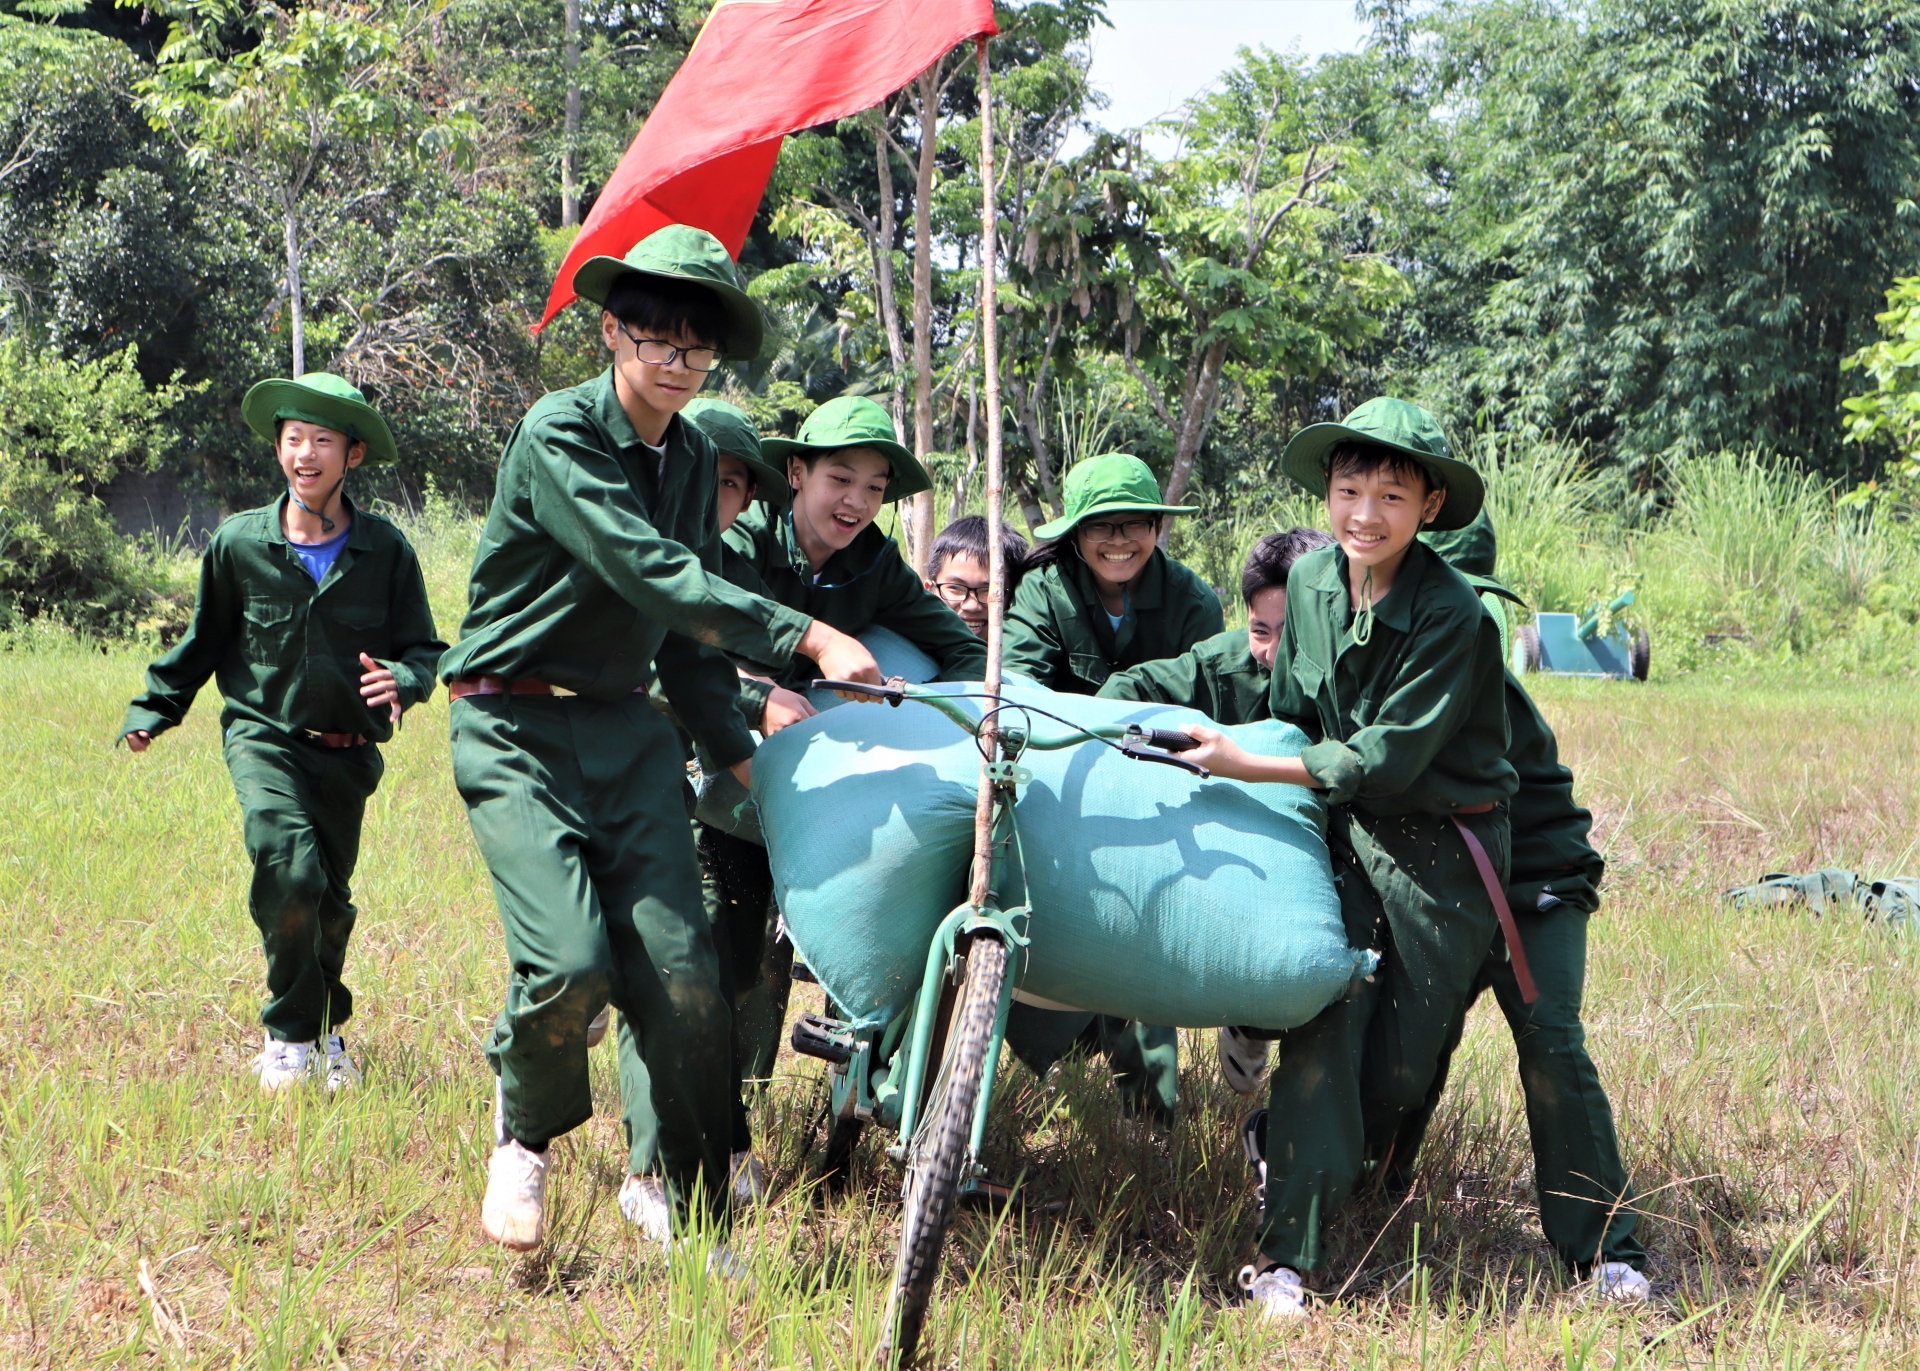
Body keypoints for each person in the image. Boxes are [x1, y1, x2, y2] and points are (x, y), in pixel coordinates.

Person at [441, 225, 880, 1257]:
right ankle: (525, 1127)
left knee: (684, 978)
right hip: (514, 720)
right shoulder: (559, 434)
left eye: (697, 348)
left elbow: (684, 639)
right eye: (658, 341)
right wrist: (807, 636)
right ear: (612, 332)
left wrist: (749, 767)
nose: (677, 365)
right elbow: (649, 572)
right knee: (570, 961)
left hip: (629, 730)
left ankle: (686, 1201)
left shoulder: (692, 459)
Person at [1176, 398, 1516, 1319]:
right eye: (1348, 488)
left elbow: (1385, 759)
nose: (1365, 511)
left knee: (1403, 1070)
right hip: (1338, 832)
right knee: (1328, 1020)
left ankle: (1293, 1146)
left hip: (1441, 848)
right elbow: (1291, 711)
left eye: (1391, 494)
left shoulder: (1456, 617)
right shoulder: (1316, 584)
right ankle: (1285, 1256)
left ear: (1432, 505)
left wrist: (1252, 758)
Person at [119, 373, 445, 1094]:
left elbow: (426, 648)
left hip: (348, 756)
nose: (306, 453)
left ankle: (325, 1029)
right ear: (279, 448)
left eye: (322, 440)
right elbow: (203, 642)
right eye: (294, 438)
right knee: (288, 868)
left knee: (328, 899)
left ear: (352, 455)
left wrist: (407, 678)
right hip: (264, 739)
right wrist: (155, 707)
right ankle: (288, 1035)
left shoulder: (386, 551)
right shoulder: (240, 544)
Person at [602, 394, 810, 1237]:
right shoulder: (634, 555)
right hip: (654, 792)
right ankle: (650, 1165)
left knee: (743, 971)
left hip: (738, 803)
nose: (715, 497)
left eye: (731, 484)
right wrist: (757, 699)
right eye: (707, 477)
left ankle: (722, 1137)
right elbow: (649, 668)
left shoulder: (742, 576)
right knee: (663, 974)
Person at [1001, 452, 1223, 1125]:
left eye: (1135, 524)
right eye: (1102, 526)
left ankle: (1151, 1112)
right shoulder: (1043, 590)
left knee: (1148, 934)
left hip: (1159, 786)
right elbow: (1018, 682)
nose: (1119, 540)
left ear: (1159, 526)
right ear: (1074, 534)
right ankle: (1047, 1056)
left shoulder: (1193, 600)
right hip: (1060, 776)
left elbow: (1211, 700)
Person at [924, 513, 1031, 637]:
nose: (972, 606)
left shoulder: (1030, 653)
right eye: (955, 588)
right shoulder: (906, 651)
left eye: (989, 590)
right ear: (929, 591)